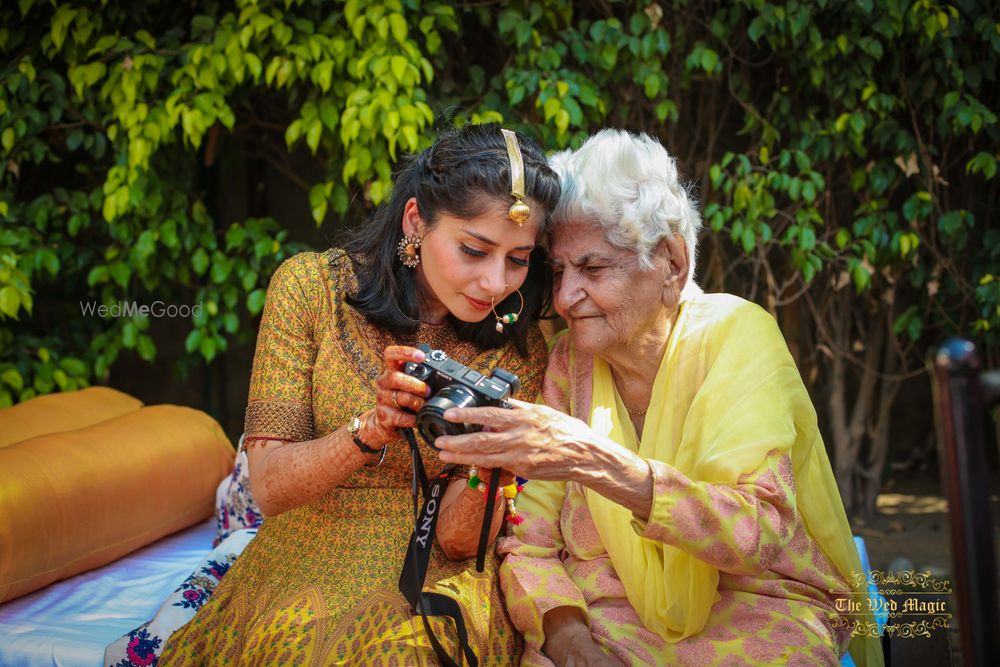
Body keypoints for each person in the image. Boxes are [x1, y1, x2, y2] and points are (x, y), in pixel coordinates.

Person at [433, 129, 884, 666]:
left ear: (671, 262)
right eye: (557, 271)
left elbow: (753, 531)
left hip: (758, 614)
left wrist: (598, 463)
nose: (565, 297)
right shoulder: (567, 365)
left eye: (593, 268)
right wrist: (568, 637)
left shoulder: (737, 337)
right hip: (601, 625)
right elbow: (529, 543)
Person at [156, 123, 561, 665]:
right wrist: (369, 430)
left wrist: (492, 463)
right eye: (474, 250)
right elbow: (268, 488)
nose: (495, 283)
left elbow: (460, 543)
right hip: (300, 550)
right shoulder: (310, 289)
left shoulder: (521, 351)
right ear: (416, 221)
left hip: (429, 572)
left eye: (518, 259)